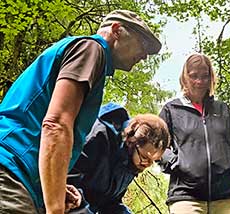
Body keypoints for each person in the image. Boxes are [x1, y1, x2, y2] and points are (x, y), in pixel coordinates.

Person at [0, 10, 162, 213]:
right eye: (143, 43)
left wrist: (57, 188)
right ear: (116, 30)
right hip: (11, 169)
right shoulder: (91, 49)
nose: (146, 56)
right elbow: (56, 124)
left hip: (20, 174)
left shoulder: (89, 59)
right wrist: (55, 208)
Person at [158, 53, 230, 214]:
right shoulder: (172, 110)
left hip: (226, 195)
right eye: (194, 76)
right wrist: (177, 163)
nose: (199, 82)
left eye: (204, 76)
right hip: (185, 195)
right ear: (184, 77)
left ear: (211, 78)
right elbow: (159, 145)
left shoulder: (223, 109)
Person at [67, 103, 170, 214]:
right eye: (145, 157)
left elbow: (109, 203)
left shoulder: (130, 165)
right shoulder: (98, 137)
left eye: (152, 162)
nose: (147, 164)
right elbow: (67, 186)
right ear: (132, 141)